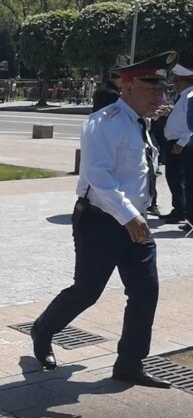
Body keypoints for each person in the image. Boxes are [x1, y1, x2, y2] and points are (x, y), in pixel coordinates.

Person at [30, 52, 179, 389]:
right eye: (151, 86)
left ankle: (129, 363)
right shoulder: (104, 122)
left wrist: (137, 215)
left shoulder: (142, 123)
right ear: (127, 86)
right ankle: (44, 329)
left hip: (135, 222)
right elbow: (99, 176)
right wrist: (128, 215)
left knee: (146, 291)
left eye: (163, 87)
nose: (160, 94)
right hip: (100, 222)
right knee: (87, 291)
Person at [164, 54, 193, 230]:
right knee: (177, 178)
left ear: (183, 80)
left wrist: (181, 142)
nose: (173, 84)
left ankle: (186, 214)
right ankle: (182, 211)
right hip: (179, 142)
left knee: (185, 181)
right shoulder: (184, 95)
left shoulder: (190, 95)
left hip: (183, 144)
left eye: (175, 80)